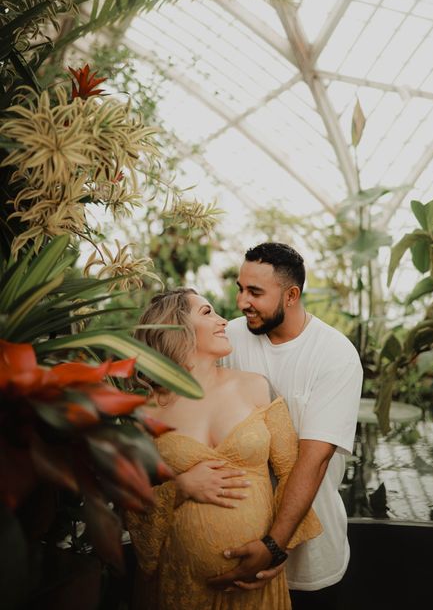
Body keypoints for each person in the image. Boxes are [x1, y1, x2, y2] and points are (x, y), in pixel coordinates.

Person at [125, 287, 322, 610]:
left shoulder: (255, 386)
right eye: (207, 313)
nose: (223, 321)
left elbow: (291, 473)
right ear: (175, 329)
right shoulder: (146, 410)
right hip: (179, 585)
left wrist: (275, 548)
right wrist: (180, 488)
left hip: (255, 588)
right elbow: (129, 501)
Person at [205, 242, 364, 609]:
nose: (242, 301)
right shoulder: (228, 339)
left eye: (255, 292)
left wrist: (273, 547)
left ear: (291, 295)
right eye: (240, 288)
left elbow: (315, 460)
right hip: (233, 540)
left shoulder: (334, 355)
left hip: (309, 556)